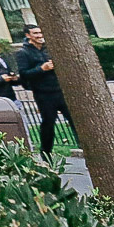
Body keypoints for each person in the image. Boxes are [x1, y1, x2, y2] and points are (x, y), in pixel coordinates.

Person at [15, 25, 71, 155]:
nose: (39, 35)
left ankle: (87, 148)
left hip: (59, 90)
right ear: (28, 35)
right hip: (43, 94)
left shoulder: (48, 49)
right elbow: (23, 74)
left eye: (41, 32)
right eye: (35, 33)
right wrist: (42, 69)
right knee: (48, 123)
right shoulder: (23, 53)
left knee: (75, 120)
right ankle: (46, 152)